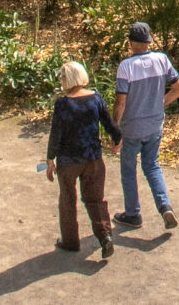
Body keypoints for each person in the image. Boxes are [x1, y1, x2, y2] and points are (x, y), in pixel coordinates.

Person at [111, 21, 179, 230]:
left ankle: (133, 214)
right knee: (152, 166)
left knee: (128, 170)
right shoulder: (162, 60)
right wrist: (161, 104)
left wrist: (115, 130)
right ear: (149, 41)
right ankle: (165, 206)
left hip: (132, 128)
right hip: (154, 125)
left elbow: (120, 102)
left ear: (131, 42)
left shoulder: (126, 66)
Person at [46, 61, 119, 257]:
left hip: (68, 160)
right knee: (95, 199)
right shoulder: (96, 98)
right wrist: (117, 139)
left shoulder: (63, 104)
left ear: (67, 79)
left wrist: (50, 159)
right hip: (93, 158)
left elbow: (56, 134)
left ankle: (70, 241)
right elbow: (109, 123)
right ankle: (105, 236)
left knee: (68, 200)